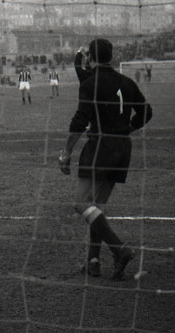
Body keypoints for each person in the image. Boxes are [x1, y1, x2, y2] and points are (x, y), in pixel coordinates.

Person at [58, 38, 152, 280]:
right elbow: (146, 112)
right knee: (96, 207)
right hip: (122, 148)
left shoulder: (90, 83)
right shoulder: (127, 82)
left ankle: (120, 250)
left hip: (100, 145)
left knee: (81, 203)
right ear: (112, 56)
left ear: (90, 58)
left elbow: (80, 119)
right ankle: (93, 261)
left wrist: (66, 152)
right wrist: (126, 129)